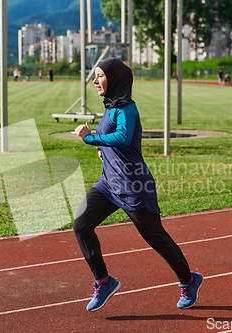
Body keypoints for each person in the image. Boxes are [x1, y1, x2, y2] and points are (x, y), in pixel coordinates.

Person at [72, 58, 203, 312]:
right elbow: (116, 141)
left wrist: (90, 138)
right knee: (81, 224)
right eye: (95, 76)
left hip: (134, 186)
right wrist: (102, 148)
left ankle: (188, 280)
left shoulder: (127, 108)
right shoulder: (111, 106)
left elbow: (122, 136)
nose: (95, 80)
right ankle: (103, 281)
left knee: (157, 239)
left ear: (115, 78)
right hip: (109, 184)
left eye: (99, 75)